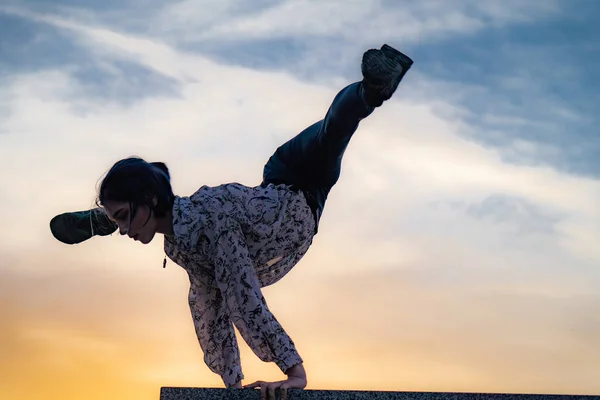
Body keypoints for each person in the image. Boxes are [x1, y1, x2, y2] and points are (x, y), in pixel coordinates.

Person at [49, 44, 413, 398]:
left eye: (127, 217)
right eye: (121, 220)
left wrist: (294, 373)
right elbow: (207, 305)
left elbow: (241, 292)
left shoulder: (209, 220)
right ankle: (109, 216)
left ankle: (373, 87)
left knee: (332, 134)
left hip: (296, 186)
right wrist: (233, 386)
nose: (129, 231)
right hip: (275, 191)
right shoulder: (179, 244)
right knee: (204, 285)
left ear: (151, 200)